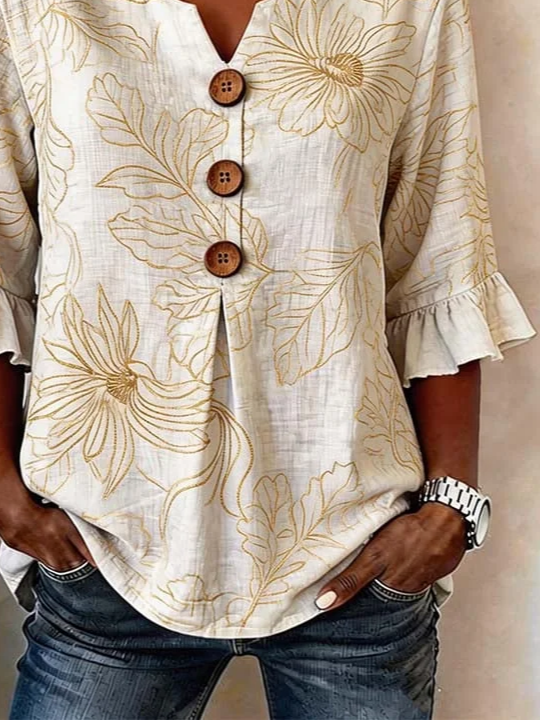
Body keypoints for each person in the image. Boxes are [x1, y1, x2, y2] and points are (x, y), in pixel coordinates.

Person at [0, 0, 535, 717]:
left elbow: (438, 258)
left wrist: (449, 510)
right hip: (103, 547)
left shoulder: (407, 10)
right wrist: (3, 494)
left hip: (355, 552)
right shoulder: (35, 10)